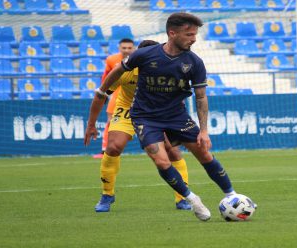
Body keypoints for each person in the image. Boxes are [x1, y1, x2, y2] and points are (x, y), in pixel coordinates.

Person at [91, 12, 253, 221]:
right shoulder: (145, 55)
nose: (193, 38)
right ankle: (192, 199)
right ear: (172, 33)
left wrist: (204, 131)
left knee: (204, 153)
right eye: (189, 34)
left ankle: (232, 195)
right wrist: (103, 90)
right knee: (160, 160)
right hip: (145, 117)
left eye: (195, 34)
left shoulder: (194, 62)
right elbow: (117, 70)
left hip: (176, 115)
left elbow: (201, 97)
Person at [85, 40, 192, 212]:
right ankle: (107, 195)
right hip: (128, 109)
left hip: (157, 112)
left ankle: (183, 198)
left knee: (172, 151)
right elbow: (101, 95)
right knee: (113, 147)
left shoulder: (167, 70)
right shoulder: (124, 71)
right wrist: (91, 125)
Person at [92, 38, 134, 159]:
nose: (127, 50)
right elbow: (106, 77)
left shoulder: (139, 58)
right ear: (119, 48)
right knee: (111, 121)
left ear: (133, 48)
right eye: (124, 48)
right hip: (117, 94)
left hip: (137, 94)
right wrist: (103, 93)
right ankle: (105, 150)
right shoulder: (111, 60)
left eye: (129, 48)